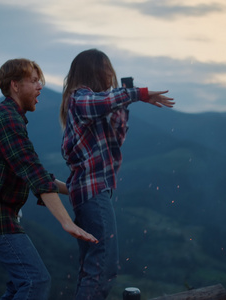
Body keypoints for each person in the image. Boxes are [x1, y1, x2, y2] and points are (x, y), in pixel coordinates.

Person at [0, 58, 98, 300]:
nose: (40, 87)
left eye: (40, 81)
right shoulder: (6, 120)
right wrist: (67, 222)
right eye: (34, 81)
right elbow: (33, 173)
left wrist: (77, 190)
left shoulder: (10, 118)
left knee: (19, 286)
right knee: (35, 281)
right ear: (15, 85)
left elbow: (30, 170)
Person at [59, 49, 175, 300]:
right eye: (106, 68)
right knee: (103, 267)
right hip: (92, 193)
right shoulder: (79, 98)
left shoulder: (93, 105)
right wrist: (139, 94)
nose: (111, 73)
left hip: (93, 193)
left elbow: (116, 139)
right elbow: (101, 102)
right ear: (93, 71)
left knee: (92, 268)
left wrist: (126, 98)